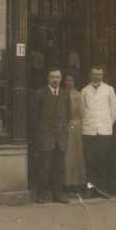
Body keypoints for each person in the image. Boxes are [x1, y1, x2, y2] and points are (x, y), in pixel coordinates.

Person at [30, 67, 71, 204]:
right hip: (45, 137)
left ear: (61, 78)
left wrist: (64, 132)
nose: (55, 80)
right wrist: (40, 134)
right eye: (52, 77)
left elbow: (68, 115)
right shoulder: (40, 94)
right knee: (44, 168)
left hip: (60, 138)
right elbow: (34, 118)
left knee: (58, 168)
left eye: (57, 77)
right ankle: (42, 195)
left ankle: (57, 195)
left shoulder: (65, 94)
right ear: (48, 78)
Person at [80, 65, 116, 199]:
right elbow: (81, 110)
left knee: (103, 161)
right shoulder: (85, 91)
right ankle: (90, 190)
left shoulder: (109, 90)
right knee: (90, 162)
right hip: (89, 131)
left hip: (104, 132)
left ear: (103, 76)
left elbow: (115, 110)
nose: (97, 77)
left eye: (99, 74)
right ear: (90, 75)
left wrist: (106, 123)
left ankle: (103, 189)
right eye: (94, 74)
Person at [62, 72, 86, 193]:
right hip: (64, 126)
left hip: (76, 127)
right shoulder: (61, 93)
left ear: (74, 82)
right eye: (67, 80)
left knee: (77, 155)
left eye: (71, 80)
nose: (69, 82)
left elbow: (82, 113)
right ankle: (66, 183)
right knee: (66, 156)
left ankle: (77, 183)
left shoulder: (79, 95)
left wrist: (76, 123)